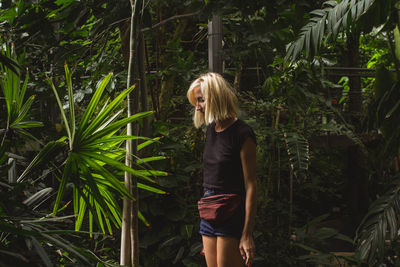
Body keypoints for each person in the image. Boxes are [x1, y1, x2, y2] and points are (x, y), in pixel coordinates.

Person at [187, 72, 257, 267]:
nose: (197, 107)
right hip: (208, 209)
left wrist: (247, 234)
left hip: (232, 211)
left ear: (215, 97)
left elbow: (251, 185)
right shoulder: (211, 129)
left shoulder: (242, 133)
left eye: (201, 100)